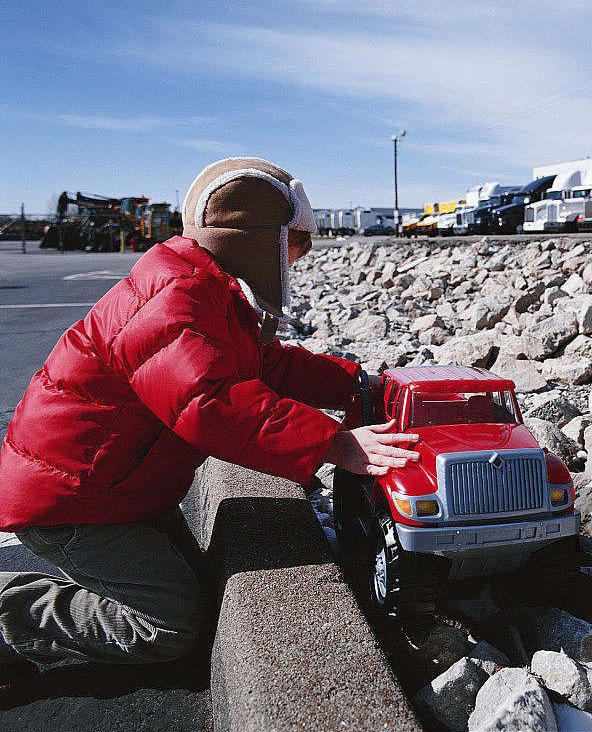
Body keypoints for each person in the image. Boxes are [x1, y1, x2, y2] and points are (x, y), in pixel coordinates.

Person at [0, 157, 419, 703]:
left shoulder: (203, 288)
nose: (297, 264)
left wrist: (357, 384)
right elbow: (210, 402)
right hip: (74, 501)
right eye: (291, 249)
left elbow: (264, 368)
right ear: (256, 241)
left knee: (190, 591)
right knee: (173, 626)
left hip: (117, 487)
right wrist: (332, 441)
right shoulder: (175, 301)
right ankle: (11, 615)